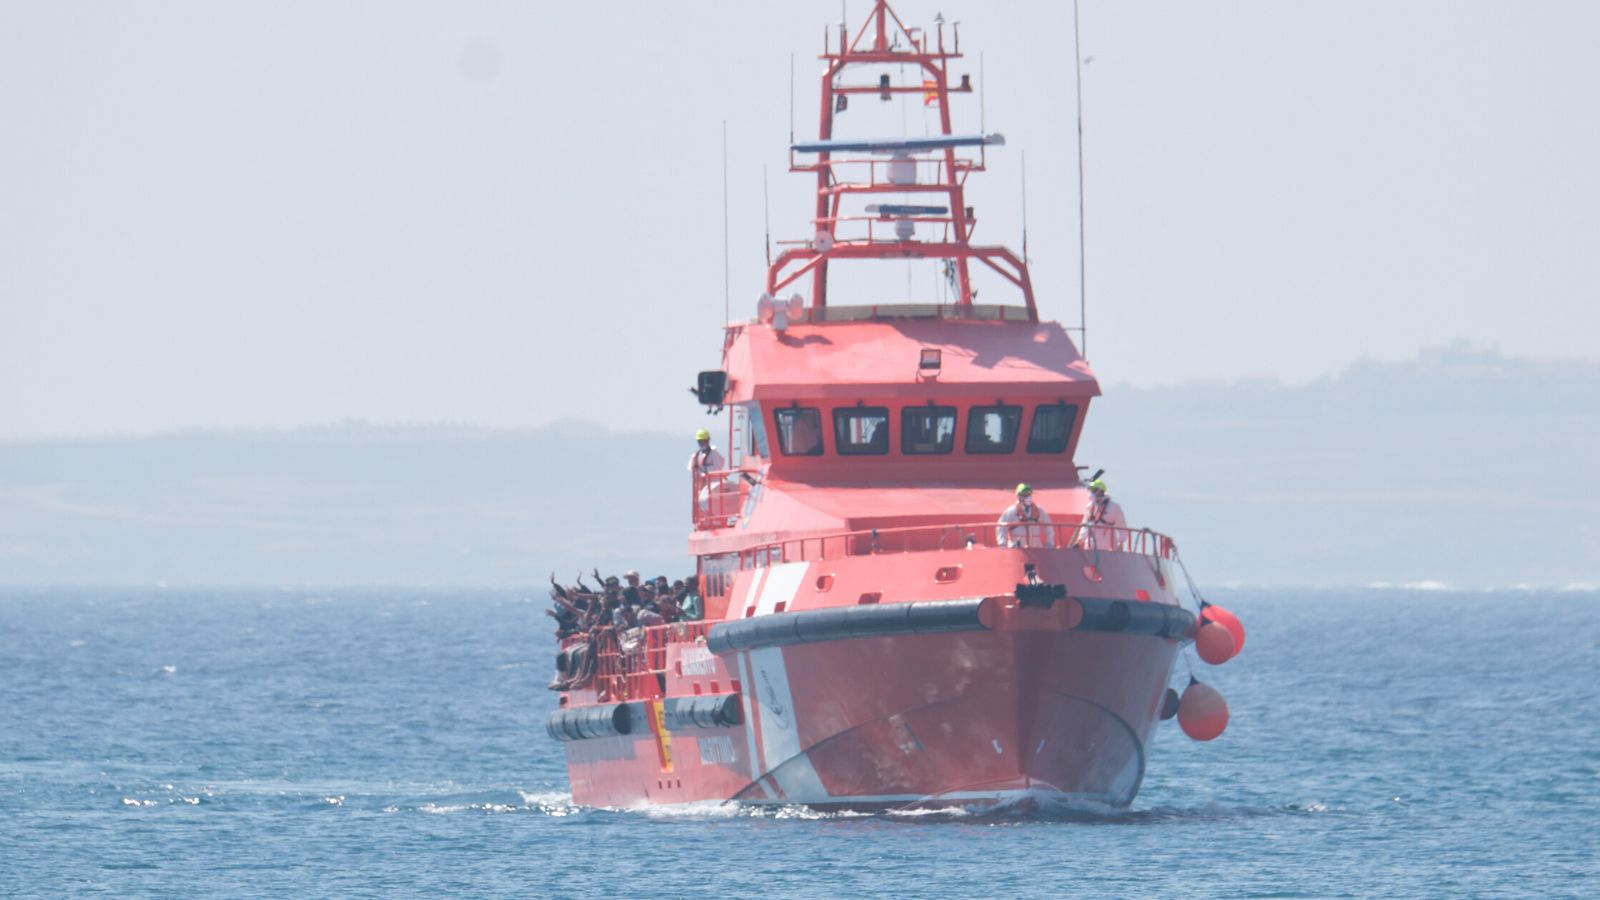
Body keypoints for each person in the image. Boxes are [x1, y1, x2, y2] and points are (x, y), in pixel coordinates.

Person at [996, 483, 1054, 548]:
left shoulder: (1038, 510)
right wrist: (1002, 544)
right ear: (1019, 497)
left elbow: (1048, 526)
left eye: (1029, 494)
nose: (1029, 497)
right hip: (1016, 550)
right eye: (1025, 495)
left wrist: (1050, 543)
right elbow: (1001, 527)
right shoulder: (1011, 511)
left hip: (1037, 549)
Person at [1076, 479, 1127, 550]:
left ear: (1100, 491)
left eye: (1093, 489)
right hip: (1090, 547)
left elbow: (1122, 526)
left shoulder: (1114, 507)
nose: (1091, 492)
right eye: (1090, 489)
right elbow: (1084, 525)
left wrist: (1121, 543)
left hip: (1108, 548)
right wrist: (1080, 540)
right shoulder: (1089, 507)